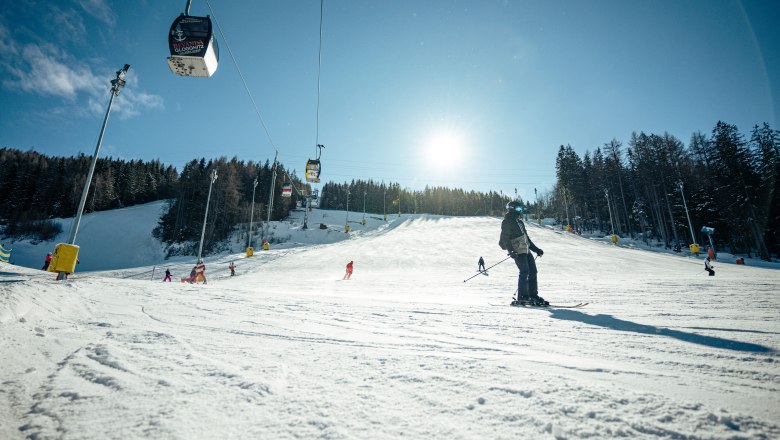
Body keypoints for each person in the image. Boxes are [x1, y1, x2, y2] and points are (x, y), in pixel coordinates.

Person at [499, 201, 547, 305]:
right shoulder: (507, 222)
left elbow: (527, 239)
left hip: (526, 249)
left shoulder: (520, 222)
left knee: (533, 271)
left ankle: (532, 295)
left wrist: (536, 250)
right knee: (524, 271)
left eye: (520, 209)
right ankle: (522, 296)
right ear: (511, 209)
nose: (520, 211)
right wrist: (511, 251)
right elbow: (505, 238)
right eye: (518, 209)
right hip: (517, 250)